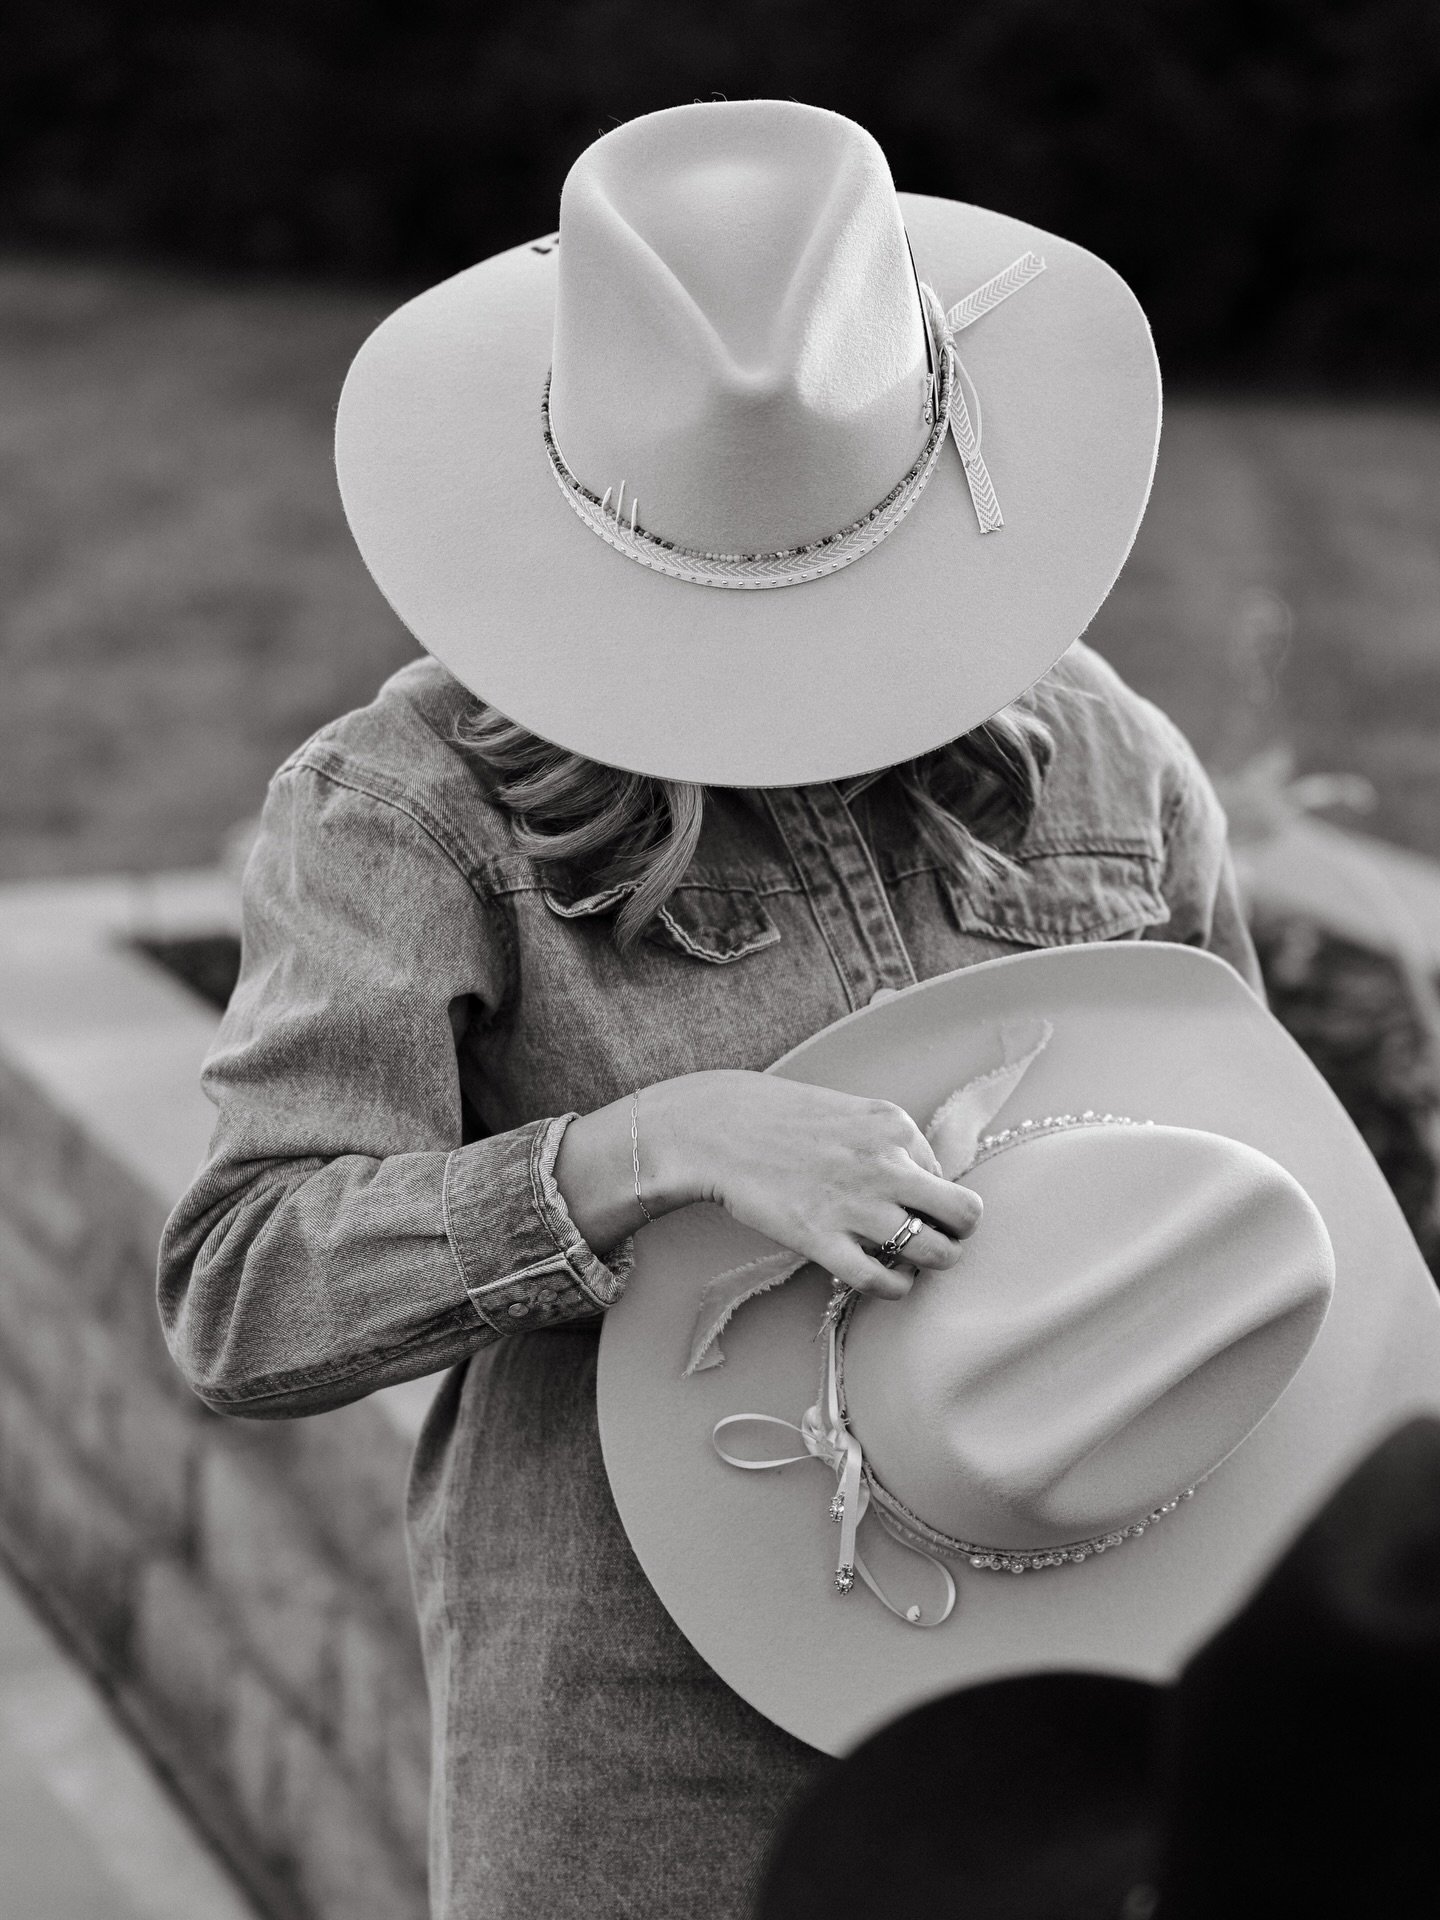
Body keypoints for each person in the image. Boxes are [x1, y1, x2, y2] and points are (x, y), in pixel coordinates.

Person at [156, 99, 1260, 1919]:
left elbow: (1264, 1179)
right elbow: (244, 1289)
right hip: (637, 1745)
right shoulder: (414, 811)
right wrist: (636, 1153)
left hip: (1073, 1697)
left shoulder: (1105, 764)